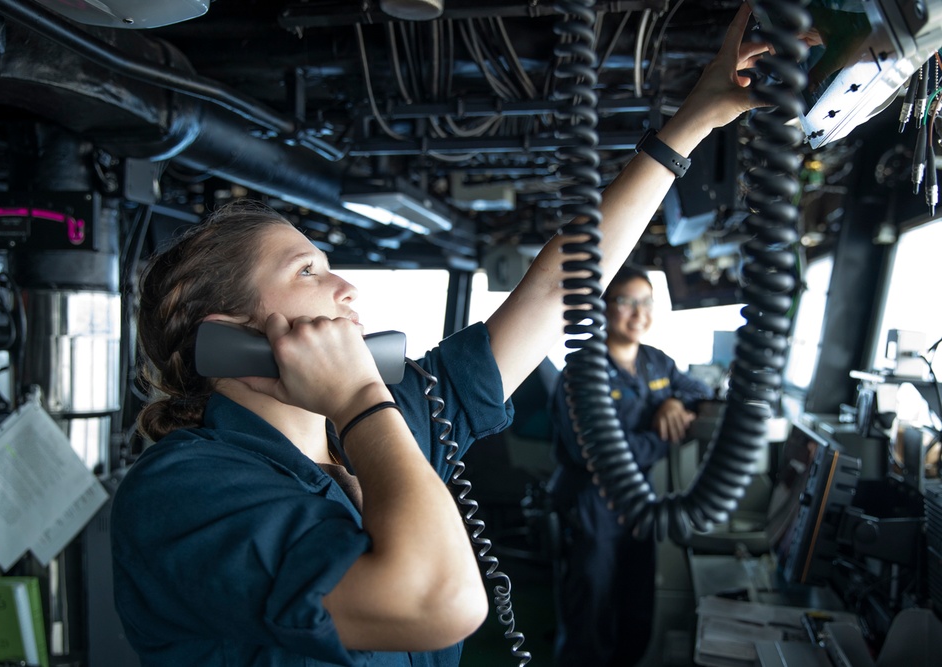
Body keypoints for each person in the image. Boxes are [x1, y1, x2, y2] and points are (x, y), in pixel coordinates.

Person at [110, 5, 766, 665]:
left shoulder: (390, 418)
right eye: (308, 270)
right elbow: (440, 601)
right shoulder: (181, 493)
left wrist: (692, 123)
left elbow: (551, 288)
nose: (347, 289)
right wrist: (363, 398)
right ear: (229, 336)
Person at [547, 266, 715, 666]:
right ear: (603, 308)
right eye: (627, 302)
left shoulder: (656, 363)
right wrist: (665, 436)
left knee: (636, 607)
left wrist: (676, 403)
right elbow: (601, 454)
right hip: (591, 504)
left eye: (647, 302)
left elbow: (700, 390)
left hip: (637, 505)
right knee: (591, 612)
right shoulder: (581, 374)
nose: (639, 313)